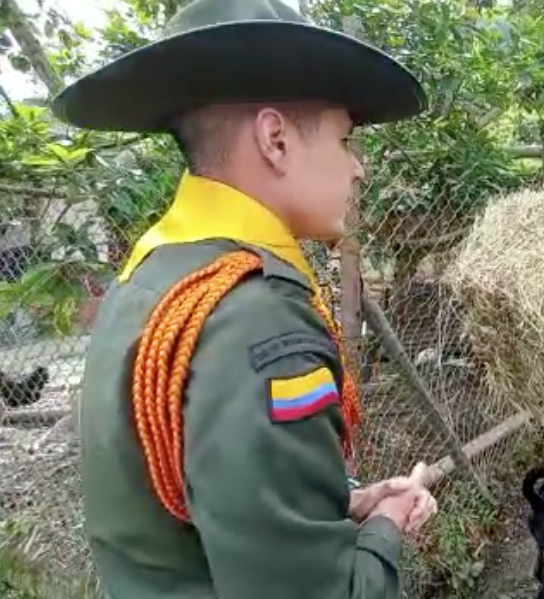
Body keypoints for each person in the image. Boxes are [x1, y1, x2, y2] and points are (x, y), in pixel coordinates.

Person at [57, 1, 437, 597]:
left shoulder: (155, 274)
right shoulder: (256, 318)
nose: (358, 168)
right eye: (345, 140)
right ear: (276, 140)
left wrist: (344, 503)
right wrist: (387, 528)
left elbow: (203, 512)